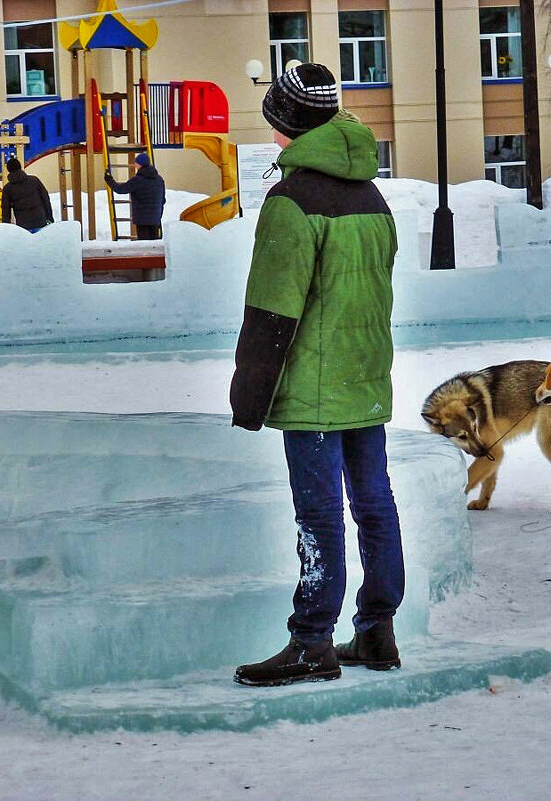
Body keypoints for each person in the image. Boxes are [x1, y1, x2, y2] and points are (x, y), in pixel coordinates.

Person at [229, 63, 403, 688]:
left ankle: (311, 643)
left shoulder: (292, 200)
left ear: (284, 123)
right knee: (374, 505)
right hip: (366, 377)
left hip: (314, 390)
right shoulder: (370, 195)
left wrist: (250, 395)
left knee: (319, 514)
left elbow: (273, 310)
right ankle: (377, 632)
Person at [104, 152, 165, 240]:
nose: (135, 165)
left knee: (144, 245)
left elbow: (120, 189)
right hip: (156, 218)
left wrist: (109, 179)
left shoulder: (137, 180)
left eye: (136, 163)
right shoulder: (159, 180)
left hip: (142, 219)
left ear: (140, 164)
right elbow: (163, 199)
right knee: (155, 245)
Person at [0, 158, 53, 232]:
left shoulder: (8, 188)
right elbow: (45, 199)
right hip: (40, 221)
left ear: (8, 170)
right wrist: (49, 217)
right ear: (20, 167)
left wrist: (6, 227)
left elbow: (6, 210)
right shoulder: (34, 180)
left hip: (23, 225)